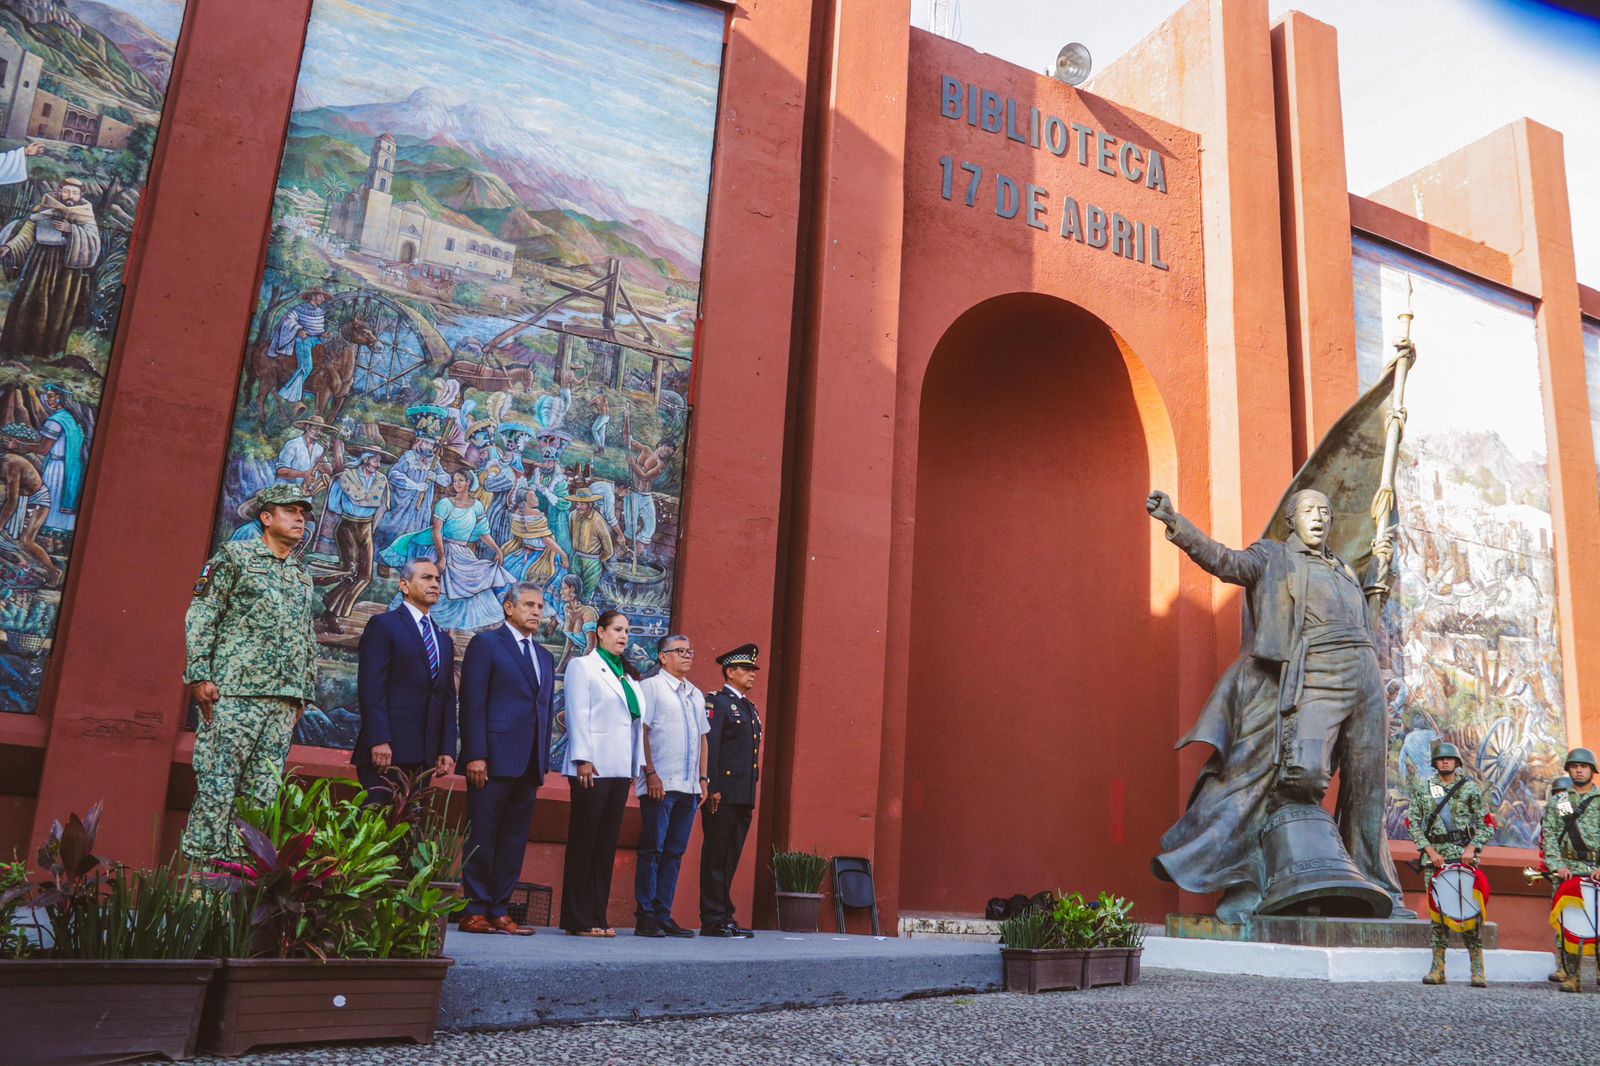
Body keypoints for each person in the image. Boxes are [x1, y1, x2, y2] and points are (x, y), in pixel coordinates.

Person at [1144, 488, 1404, 921]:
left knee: (1368, 786)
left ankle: (1378, 885)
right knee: (1305, 774)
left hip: (1366, 674)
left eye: (1325, 511)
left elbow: (1364, 620)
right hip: (1318, 670)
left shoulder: (1343, 568)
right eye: (1309, 510)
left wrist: (1378, 575)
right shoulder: (1273, 557)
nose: (1318, 517)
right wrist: (1176, 523)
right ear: (1291, 521)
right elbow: (1224, 561)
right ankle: (1277, 875)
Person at [181, 484, 319, 862]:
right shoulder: (235, 557)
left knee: (260, 794)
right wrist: (199, 675)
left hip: (282, 702)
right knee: (218, 785)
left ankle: (241, 876)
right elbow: (203, 614)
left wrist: (303, 693)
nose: (299, 519)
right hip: (234, 694)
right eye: (290, 512)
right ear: (266, 518)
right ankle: (203, 877)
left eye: (303, 514)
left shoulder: (300, 575)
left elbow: (306, 635)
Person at [457, 583, 555, 934]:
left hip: (529, 763)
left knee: (513, 840)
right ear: (509, 608)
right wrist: (475, 755)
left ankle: (500, 909)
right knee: (482, 835)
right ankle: (474, 910)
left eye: (540, 606)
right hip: (492, 760)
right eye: (528, 605)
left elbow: (543, 711)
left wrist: (542, 761)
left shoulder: (544, 656)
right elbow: (473, 702)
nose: (536, 612)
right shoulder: (486, 644)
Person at [560, 609, 645, 937]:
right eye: (618, 630)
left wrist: (635, 765)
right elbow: (577, 712)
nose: (624, 636)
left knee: (606, 844)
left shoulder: (628, 675)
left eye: (627, 631)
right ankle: (577, 917)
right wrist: (582, 757)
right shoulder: (584, 666)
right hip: (592, 766)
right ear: (600, 632)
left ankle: (597, 914)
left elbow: (635, 725)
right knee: (585, 841)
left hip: (620, 768)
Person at [352, 559, 457, 799]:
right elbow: (371, 687)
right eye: (426, 578)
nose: (435, 584)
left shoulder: (443, 640)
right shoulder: (384, 625)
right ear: (404, 585)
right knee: (375, 817)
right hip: (387, 752)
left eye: (437, 579)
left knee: (411, 821)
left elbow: (447, 698)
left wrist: (447, 748)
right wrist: (379, 739)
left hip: (425, 758)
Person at [633, 634, 708, 938]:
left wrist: (703, 779)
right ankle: (645, 915)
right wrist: (650, 772)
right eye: (680, 651)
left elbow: (703, 737)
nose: (687, 656)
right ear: (663, 657)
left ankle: (663, 913)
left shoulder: (696, 694)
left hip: (689, 788)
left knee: (674, 852)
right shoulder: (651, 687)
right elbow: (642, 731)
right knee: (652, 850)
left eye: (690, 651)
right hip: (660, 785)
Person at [380, 469, 516, 632]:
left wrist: (497, 550)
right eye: (455, 480)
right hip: (441, 550)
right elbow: (437, 531)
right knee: (431, 587)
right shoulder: (445, 504)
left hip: (462, 553)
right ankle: (409, 625)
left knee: (463, 593)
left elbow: (483, 532)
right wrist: (442, 556)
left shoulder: (477, 506)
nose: (456, 484)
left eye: (460, 480)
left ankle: (448, 635)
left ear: (468, 483)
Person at [1406, 742, 1492, 987]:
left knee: (1470, 914)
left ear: (1456, 763)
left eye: (1449, 759)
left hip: (1464, 859)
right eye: (1441, 759)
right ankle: (1437, 969)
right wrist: (1429, 850)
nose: (1445, 762)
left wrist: (1472, 848)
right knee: (1438, 915)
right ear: (1435, 763)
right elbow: (1412, 822)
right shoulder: (1424, 789)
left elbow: (1487, 824)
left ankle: (1477, 970)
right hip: (1436, 861)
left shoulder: (1470, 789)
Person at [700, 643, 763, 938]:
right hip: (722, 794)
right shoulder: (718, 703)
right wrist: (712, 786)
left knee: (730, 857)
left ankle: (725, 914)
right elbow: (711, 747)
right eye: (746, 669)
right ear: (730, 672)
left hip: (742, 795)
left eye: (753, 669)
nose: (752, 674)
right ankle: (712, 918)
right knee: (716, 856)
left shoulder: (749, 708)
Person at [0, 175, 100, 359]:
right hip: (39, 260)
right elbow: (27, 232)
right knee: (31, 299)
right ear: (59, 191)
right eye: (66, 191)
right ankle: (18, 347)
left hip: (67, 267)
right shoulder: (45, 206)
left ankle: (47, 352)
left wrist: (72, 230)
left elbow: (93, 240)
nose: (70, 196)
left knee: (58, 305)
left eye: (75, 193)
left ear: (81, 195)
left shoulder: (85, 213)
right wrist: (10, 246)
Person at [319, 446, 393, 631]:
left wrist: (371, 527)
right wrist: (352, 511)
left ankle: (330, 603)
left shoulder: (381, 480)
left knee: (365, 576)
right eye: (375, 460)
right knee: (350, 571)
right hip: (347, 526)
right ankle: (332, 616)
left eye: (379, 461)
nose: (378, 464)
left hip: (366, 528)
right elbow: (333, 505)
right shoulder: (346, 477)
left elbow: (383, 507)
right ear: (365, 459)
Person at [1545, 748, 1600, 993]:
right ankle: (1573, 976)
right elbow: (1550, 836)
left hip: (1596, 870)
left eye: (1583, 766)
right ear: (1568, 770)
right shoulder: (1560, 802)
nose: (1578, 770)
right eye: (1574, 766)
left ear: (1592, 770)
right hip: (1568, 870)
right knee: (1571, 923)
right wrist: (1557, 865)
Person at [0, 424, 61, 586]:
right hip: (23, 500)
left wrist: (0, 524)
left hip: (37, 501)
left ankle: (53, 571)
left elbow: (12, 501)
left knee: (27, 541)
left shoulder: (12, 463)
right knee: (12, 540)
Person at [35, 383, 88, 535]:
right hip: (72, 468)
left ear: (60, 398)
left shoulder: (56, 420)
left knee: (51, 499)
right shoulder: (73, 419)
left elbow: (43, 449)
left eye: (51, 396)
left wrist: (19, 445)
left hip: (56, 468)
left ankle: (47, 537)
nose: (48, 400)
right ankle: (57, 539)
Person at [272, 289, 333, 404]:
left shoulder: (320, 312)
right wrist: (299, 330)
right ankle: (287, 392)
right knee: (306, 366)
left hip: (317, 340)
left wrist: (324, 334)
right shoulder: (299, 309)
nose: (323, 299)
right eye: (321, 296)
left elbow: (318, 330)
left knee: (327, 362)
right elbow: (288, 320)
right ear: (313, 296)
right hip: (304, 340)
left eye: (324, 297)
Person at [1542, 775, 1575, 982]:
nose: (1560, 797)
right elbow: (1548, 840)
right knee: (1562, 920)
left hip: (1584, 868)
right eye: (1557, 793)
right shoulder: (1553, 811)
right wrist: (1554, 865)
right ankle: (1564, 965)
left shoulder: (1569, 807)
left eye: (1563, 793)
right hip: (1561, 870)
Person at [567, 487, 614, 600]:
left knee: (586, 594)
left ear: (590, 504)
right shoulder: (572, 515)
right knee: (572, 591)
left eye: (582, 504)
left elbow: (608, 550)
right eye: (577, 503)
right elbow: (571, 533)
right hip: (577, 559)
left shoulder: (598, 520)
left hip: (592, 562)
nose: (578, 506)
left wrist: (597, 559)